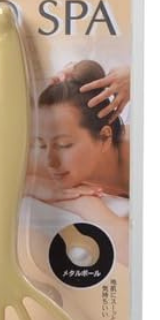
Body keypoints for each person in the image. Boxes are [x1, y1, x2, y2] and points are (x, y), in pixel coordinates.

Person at [27, 60, 130, 264]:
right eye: (41, 144)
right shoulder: (55, 161)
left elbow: (135, 253)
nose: (50, 161)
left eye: (64, 145)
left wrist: (140, 76)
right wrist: (36, 187)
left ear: (104, 137)